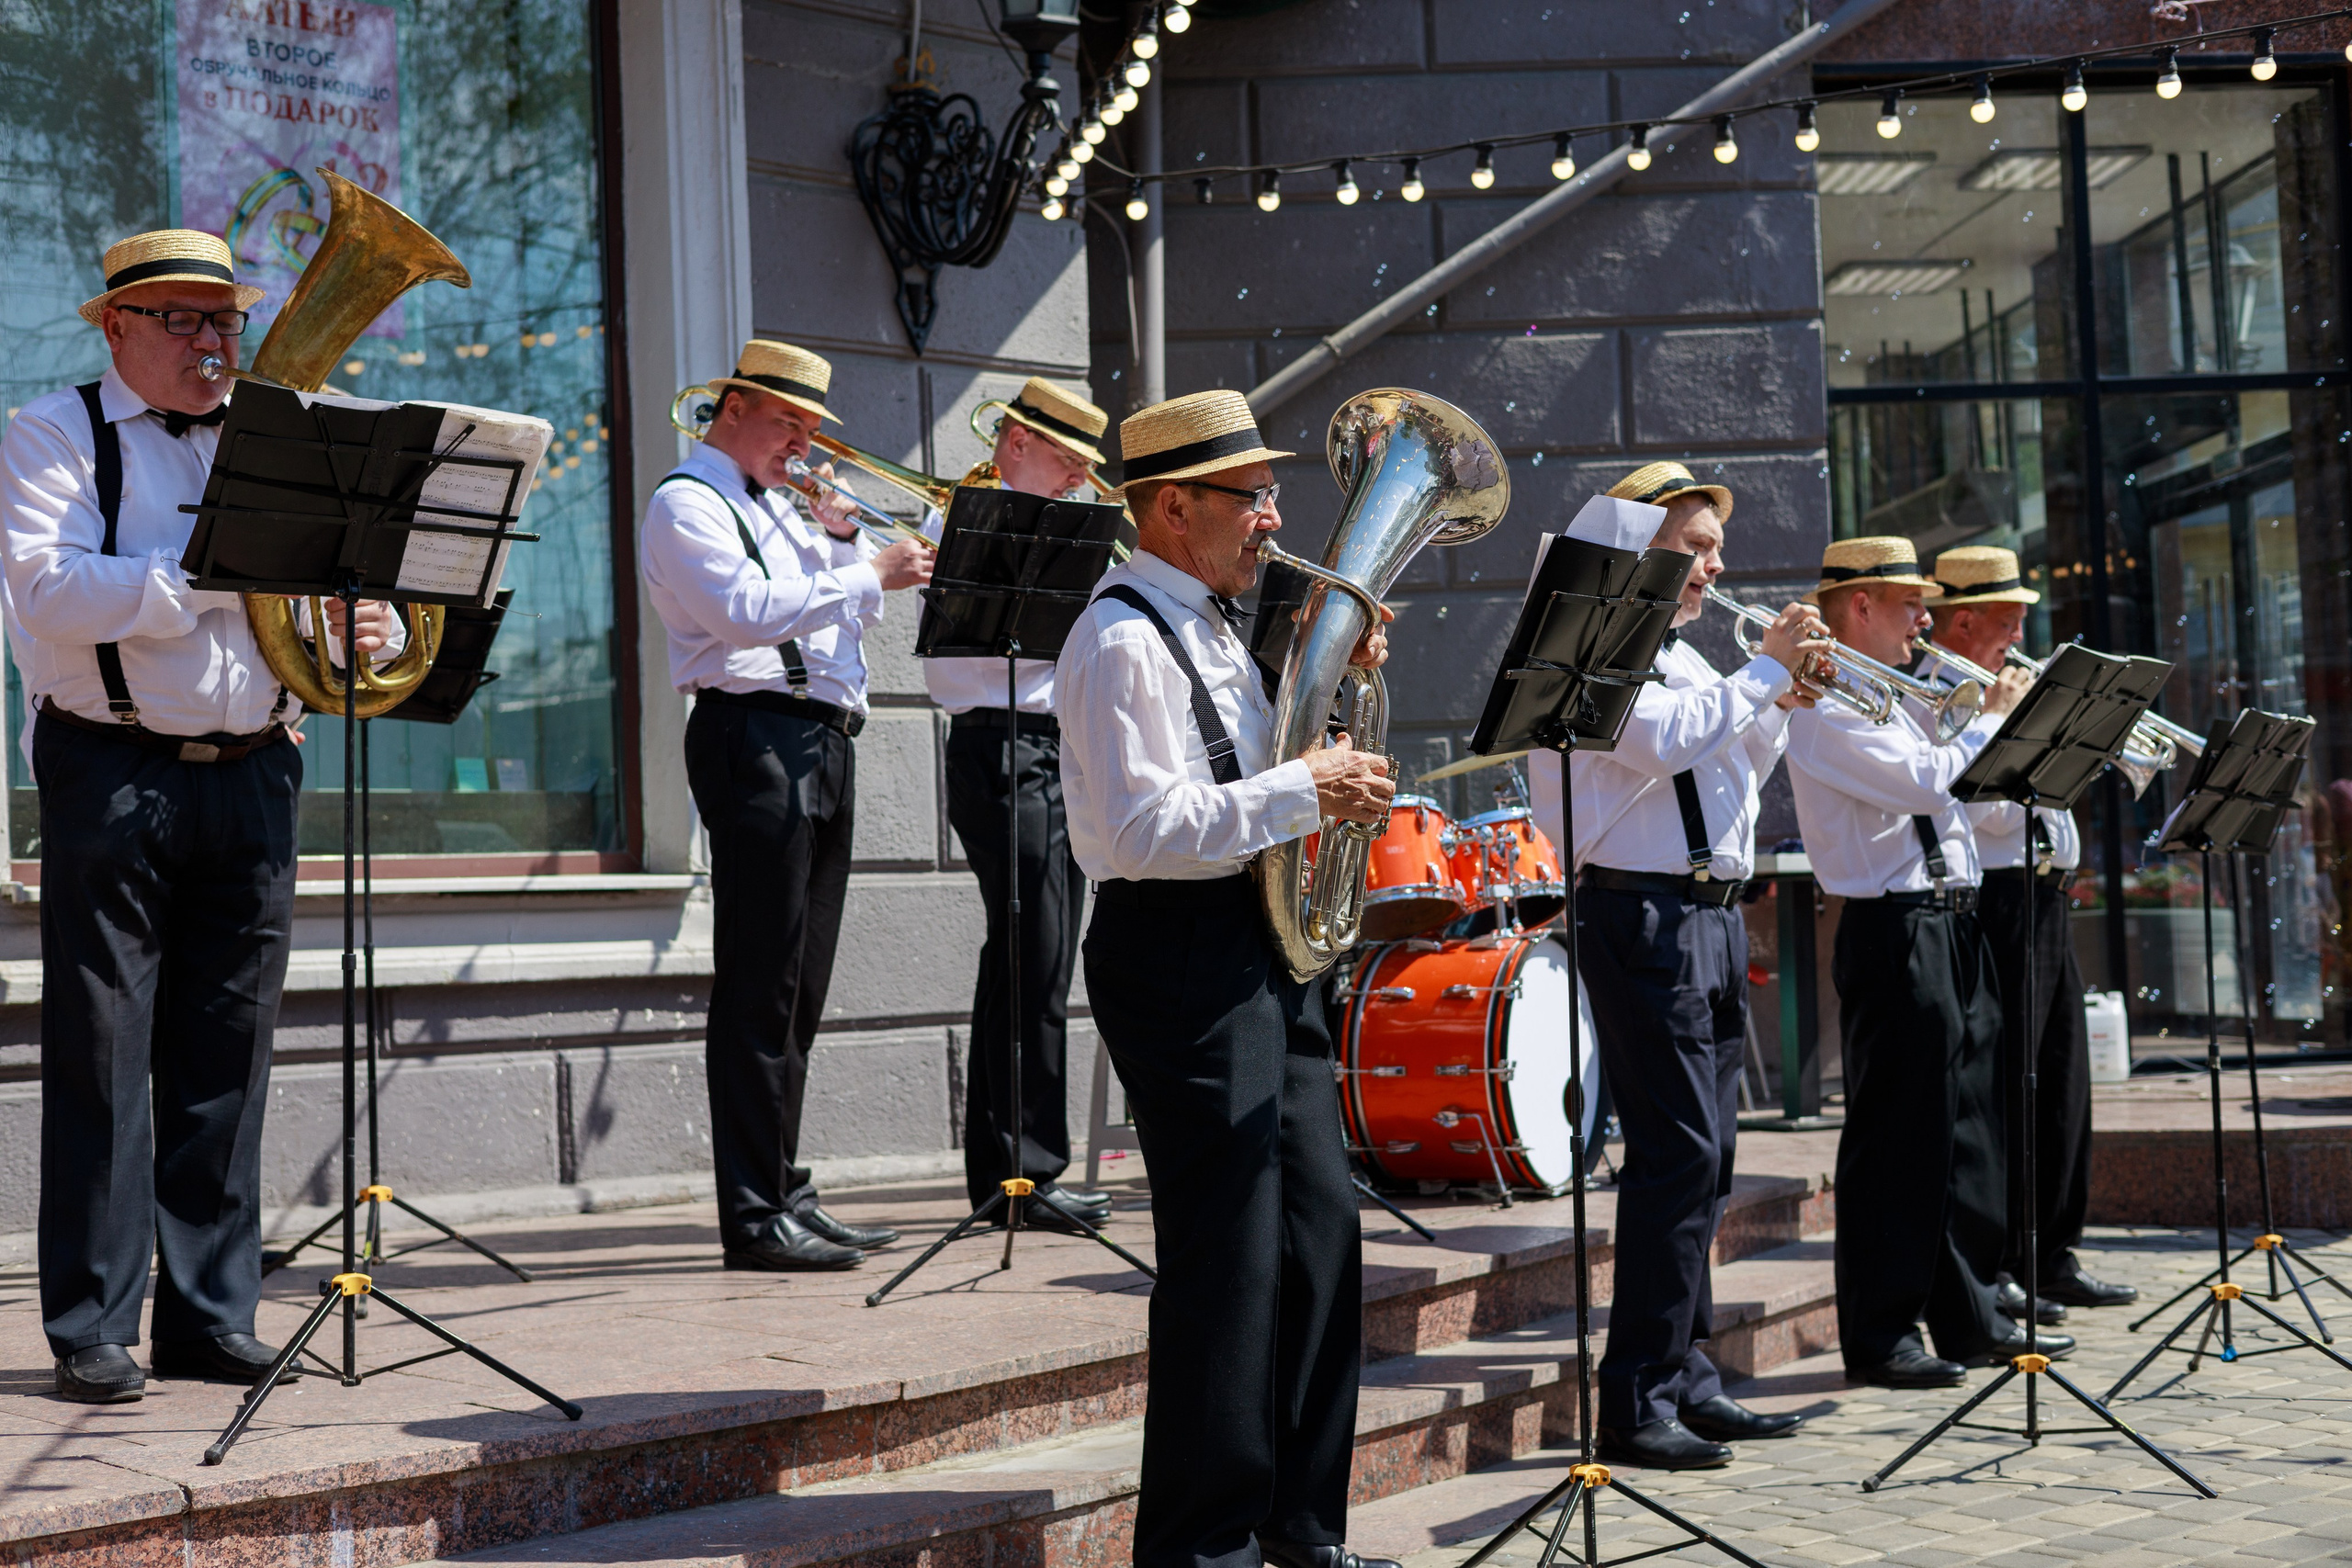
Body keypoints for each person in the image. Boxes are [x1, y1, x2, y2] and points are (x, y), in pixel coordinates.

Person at [2, 230, 400, 1402]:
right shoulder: (53, 432)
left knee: (230, 1052)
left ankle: (210, 1315)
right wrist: (210, 574)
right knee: (104, 1053)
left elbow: (322, 602)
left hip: (257, 768)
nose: (213, 342)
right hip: (111, 769)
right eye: (181, 319)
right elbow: (49, 590)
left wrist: (353, 629)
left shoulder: (283, 443)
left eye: (223, 320)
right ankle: (90, 1323)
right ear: (115, 327)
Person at [1057, 389, 1399, 1568]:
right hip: (1178, 953)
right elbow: (1147, 833)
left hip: (1257, 948)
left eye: (1269, 495)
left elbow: (1255, 777)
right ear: (1170, 507)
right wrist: (1308, 789)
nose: (1271, 517)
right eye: (1250, 498)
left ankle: (1303, 1534)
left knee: (1318, 1241)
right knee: (1228, 1266)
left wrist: (1332, 687)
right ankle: (1202, 1552)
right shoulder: (1114, 638)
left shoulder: (1207, 622)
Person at [1526, 463, 1830, 1469]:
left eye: (1713, 550)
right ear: (1635, 548)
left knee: (1713, 1160)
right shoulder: (1595, 644)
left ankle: (1687, 1377)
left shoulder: (1696, 662)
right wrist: (1762, 674)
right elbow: (1656, 743)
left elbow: (1736, 773)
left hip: (1705, 916)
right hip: (1636, 914)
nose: (1715, 566)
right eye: (1693, 549)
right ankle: (1636, 1394)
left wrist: (1783, 695)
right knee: (1676, 1156)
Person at [639, 339, 935, 1271]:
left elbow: (854, 622)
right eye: (789, 424)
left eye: (813, 428)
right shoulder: (687, 501)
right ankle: (752, 1211)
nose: (805, 445)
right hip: (751, 734)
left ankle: (784, 1185)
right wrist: (860, 569)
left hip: (821, 739)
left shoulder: (786, 508)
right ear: (733, 408)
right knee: (760, 980)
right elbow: (744, 611)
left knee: (801, 984)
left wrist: (845, 544)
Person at [1782, 536, 2064, 1389]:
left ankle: (1967, 1315)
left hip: (1952, 919)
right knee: (1898, 1137)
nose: (1926, 620)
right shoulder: (1827, 706)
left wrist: (1973, 715)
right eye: (1910, 604)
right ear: (1859, 607)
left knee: (1965, 1129)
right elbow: (1930, 785)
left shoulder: (1897, 695)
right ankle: (1880, 1331)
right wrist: (1986, 718)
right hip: (1892, 927)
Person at [1925, 547, 2135, 1315]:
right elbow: (1975, 808)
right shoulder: (1941, 696)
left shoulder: (2002, 689)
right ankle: (2008, 1257)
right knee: (2010, 1080)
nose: (2021, 631)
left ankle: (2057, 1246)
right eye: (2009, 617)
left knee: (2062, 1081)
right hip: (1998, 895)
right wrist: (2008, 723)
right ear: (1967, 619)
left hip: (2048, 893)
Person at [928, 379, 1114, 1235]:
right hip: (1001, 743)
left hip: (1055, 750)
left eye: (1084, 460)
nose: (1080, 474)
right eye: (1066, 456)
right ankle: (1020, 1174)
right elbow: (949, 672)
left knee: (1036, 954)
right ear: (1012, 444)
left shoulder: (1082, 540)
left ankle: (1018, 1169)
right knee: (1029, 952)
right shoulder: (960, 520)